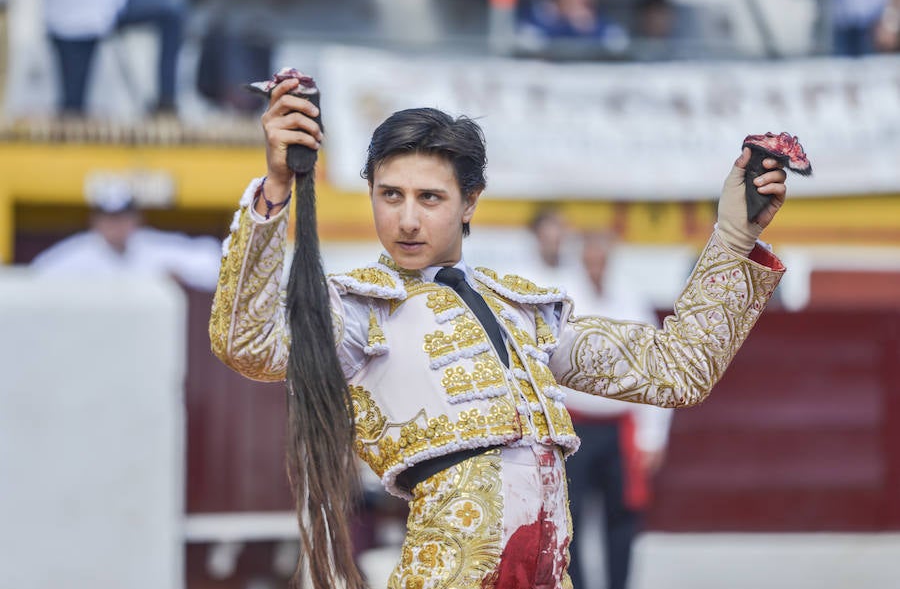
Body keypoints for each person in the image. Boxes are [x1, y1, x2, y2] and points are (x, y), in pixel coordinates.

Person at [209, 76, 789, 589]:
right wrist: (275, 192)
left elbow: (675, 370)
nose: (407, 218)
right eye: (391, 195)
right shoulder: (359, 310)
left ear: (470, 203)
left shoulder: (523, 310)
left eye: (429, 197)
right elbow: (248, 343)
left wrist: (733, 239)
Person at [563, 227, 672, 589]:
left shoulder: (630, 299)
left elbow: (655, 370)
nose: (596, 260)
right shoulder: (561, 297)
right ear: (580, 255)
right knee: (569, 517)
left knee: (622, 516)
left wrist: (652, 436)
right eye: (590, 252)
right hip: (572, 427)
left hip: (619, 426)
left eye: (602, 253)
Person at [31, 181, 222, 291]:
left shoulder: (150, 247)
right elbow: (34, 280)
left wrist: (181, 271)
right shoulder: (78, 254)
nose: (116, 226)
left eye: (122, 218)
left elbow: (213, 261)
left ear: (136, 219)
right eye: (109, 218)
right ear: (95, 221)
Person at [44, 0, 185, 114]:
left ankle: (166, 102)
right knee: (72, 111)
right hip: (71, 20)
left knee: (172, 14)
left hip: (113, 2)